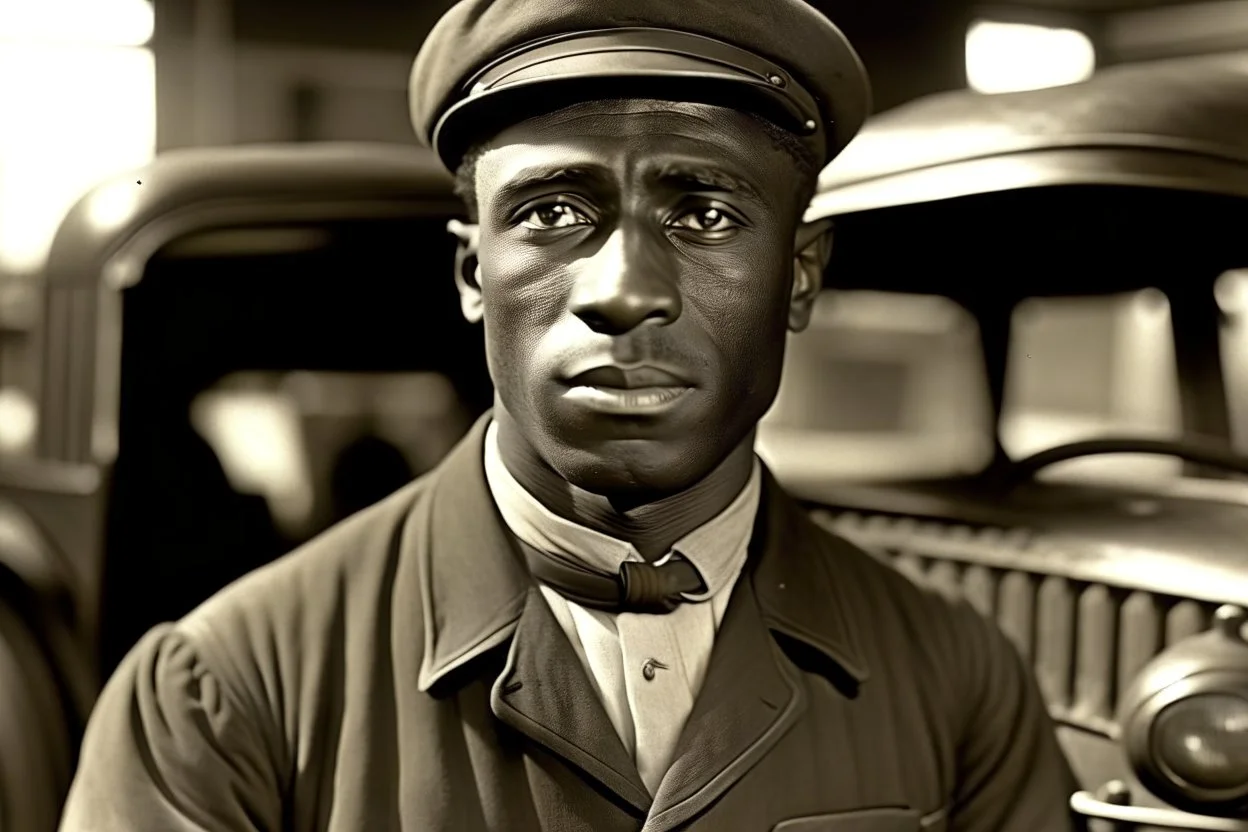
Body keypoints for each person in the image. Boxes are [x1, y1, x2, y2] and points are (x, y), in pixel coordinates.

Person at [60, 0, 1085, 829]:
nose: (625, 289)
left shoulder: (958, 685)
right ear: (474, 272)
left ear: (800, 275)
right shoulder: (227, 695)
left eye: (706, 212)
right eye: (554, 212)